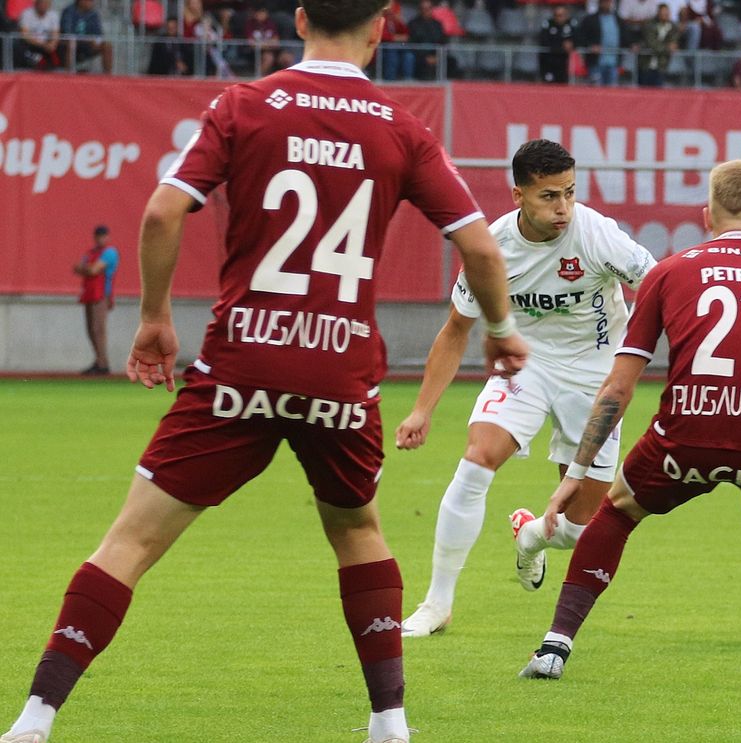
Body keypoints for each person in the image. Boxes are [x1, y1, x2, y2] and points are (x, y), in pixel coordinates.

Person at [0, 0, 529, 739]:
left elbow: (160, 213)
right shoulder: (401, 126)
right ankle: (389, 720)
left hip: (240, 362)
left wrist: (154, 319)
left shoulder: (245, 104)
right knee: (358, 531)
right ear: (381, 26)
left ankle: (35, 715)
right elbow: (481, 249)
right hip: (340, 371)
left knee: (131, 539)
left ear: (302, 17)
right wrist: (500, 332)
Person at [516, 159, 741, 683]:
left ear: (706, 214)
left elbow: (618, 385)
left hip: (685, 437)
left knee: (618, 512)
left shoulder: (670, 271)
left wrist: (575, 477)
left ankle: (554, 649)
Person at [394, 140, 656, 638]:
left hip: (595, 377)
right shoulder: (491, 249)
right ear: (518, 195)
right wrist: (422, 409)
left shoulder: (597, 234)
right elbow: (455, 330)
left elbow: (660, 286)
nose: (563, 208)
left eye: (570, 193)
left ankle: (531, 535)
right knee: (476, 459)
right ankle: (437, 603)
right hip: (526, 365)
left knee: (579, 529)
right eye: (549, 196)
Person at [72, 225, 119, 376]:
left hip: (101, 295)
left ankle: (103, 363)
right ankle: (99, 360)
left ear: (107, 237)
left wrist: (86, 268)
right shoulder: (91, 252)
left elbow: (91, 270)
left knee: (98, 328)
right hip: (89, 293)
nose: (101, 239)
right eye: (98, 236)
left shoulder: (110, 253)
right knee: (91, 329)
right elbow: (77, 268)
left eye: (103, 236)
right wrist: (88, 268)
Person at [575, 0, 623, 85]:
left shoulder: (618, 20)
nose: (607, 4)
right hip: (596, 62)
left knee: (613, 91)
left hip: (613, 62)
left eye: (608, 2)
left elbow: (625, 36)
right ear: (599, 3)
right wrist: (590, 46)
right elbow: (580, 37)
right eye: (604, 2)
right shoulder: (590, 20)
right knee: (596, 90)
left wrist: (633, 44)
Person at [59, 0, 113, 73]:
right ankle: (68, 74)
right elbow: (66, 32)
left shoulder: (93, 14)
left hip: (88, 44)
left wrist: (94, 40)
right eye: (89, 1)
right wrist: (83, 39)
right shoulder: (69, 11)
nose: (91, 3)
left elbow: (98, 33)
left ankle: (108, 75)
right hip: (72, 43)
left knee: (107, 46)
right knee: (71, 43)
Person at [638, 4, 679, 87]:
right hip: (646, 65)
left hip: (662, 66)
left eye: (666, 14)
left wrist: (667, 47)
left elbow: (673, 43)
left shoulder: (673, 27)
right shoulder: (649, 25)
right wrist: (667, 48)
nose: (665, 16)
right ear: (658, 13)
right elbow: (652, 44)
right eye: (662, 13)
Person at [407, 0, 450, 81]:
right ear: (419, 10)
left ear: (432, 9)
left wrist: (437, 56)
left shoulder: (438, 24)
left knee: (452, 61)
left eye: (428, 8)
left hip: (436, 55)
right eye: (423, 9)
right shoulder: (413, 24)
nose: (425, 11)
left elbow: (443, 41)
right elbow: (411, 43)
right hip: (419, 55)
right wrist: (425, 57)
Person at [18, 0, 61, 70]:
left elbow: (56, 34)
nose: (44, 5)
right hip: (31, 44)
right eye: (42, 3)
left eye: (47, 3)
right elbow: (25, 35)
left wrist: (52, 44)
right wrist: (43, 45)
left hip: (48, 44)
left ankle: (64, 72)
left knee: (61, 46)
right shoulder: (26, 13)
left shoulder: (53, 15)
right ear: (36, 3)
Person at [538, 4, 575, 84]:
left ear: (566, 15)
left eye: (561, 15)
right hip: (549, 62)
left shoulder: (571, 25)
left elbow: (578, 39)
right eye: (556, 15)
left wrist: (571, 44)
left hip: (564, 62)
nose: (558, 18)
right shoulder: (548, 24)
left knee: (562, 86)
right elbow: (544, 40)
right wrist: (562, 44)